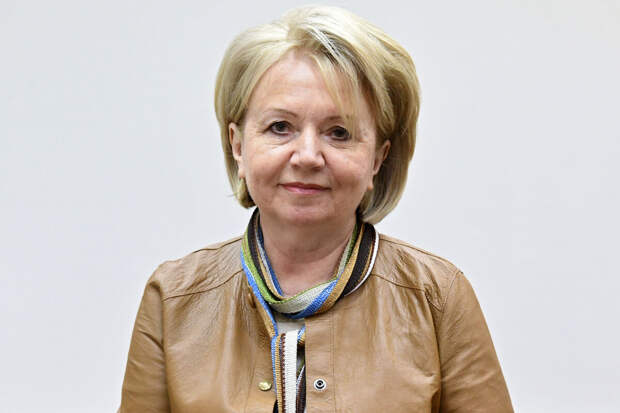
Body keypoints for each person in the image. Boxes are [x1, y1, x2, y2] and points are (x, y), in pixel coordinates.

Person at [118, 5, 513, 413]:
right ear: (237, 145)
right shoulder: (173, 299)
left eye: (338, 133)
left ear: (377, 159)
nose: (307, 155)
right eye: (280, 127)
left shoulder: (437, 298)